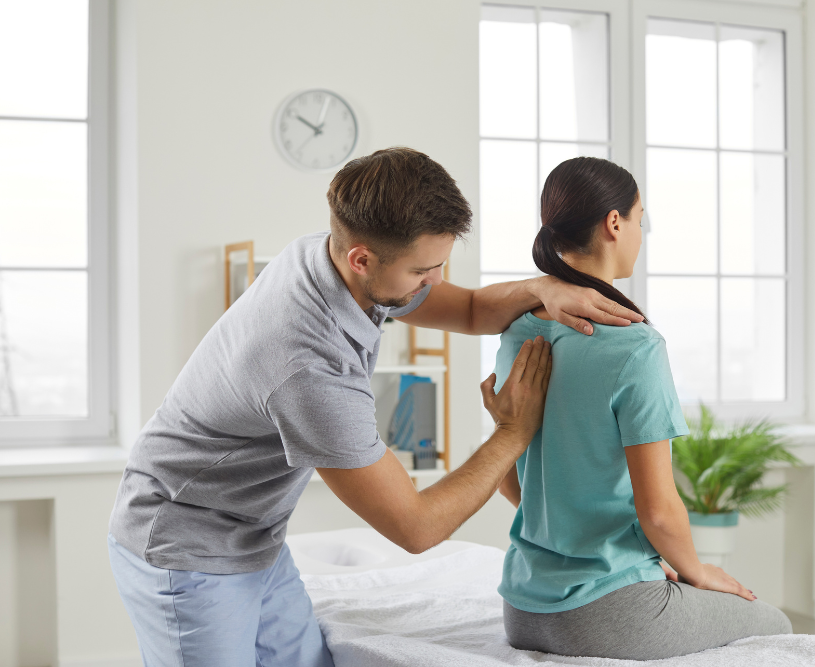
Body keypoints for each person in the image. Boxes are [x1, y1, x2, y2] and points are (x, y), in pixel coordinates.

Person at [107, 147, 646, 667]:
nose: (433, 282)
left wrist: (543, 288)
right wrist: (511, 431)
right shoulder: (307, 368)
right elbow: (416, 529)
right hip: (186, 545)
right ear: (363, 258)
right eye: (421, 271)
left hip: (255, 536)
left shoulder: (329, 255)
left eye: (439, 264)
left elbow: (473, 308)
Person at [492, 157, 792, 660]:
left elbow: (508, 477)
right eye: (639, 219)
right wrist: (698, 571)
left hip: (522, 610)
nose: (639, 233)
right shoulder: (634, 346)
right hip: (608, 614)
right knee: (775, 624)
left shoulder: (517, 331)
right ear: (615, 223)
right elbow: (657, 508)